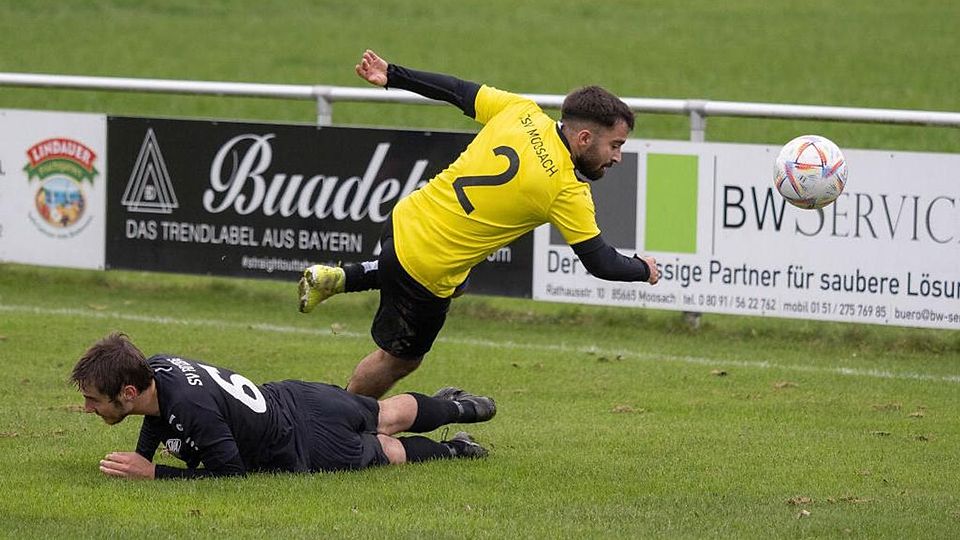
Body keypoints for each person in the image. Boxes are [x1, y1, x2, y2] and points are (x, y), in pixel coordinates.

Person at [299, 49, 662, 398]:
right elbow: (600, 262)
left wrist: (392, 74)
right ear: (584, 138)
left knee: (456, 279)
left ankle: (341, 278)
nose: (617, 157)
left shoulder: (522, 111)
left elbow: (456, 90)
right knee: (400, 360)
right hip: (426, 266)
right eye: (615, 145)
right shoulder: (566, 188)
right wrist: (642, 269)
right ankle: (341, 419)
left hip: (405, 218)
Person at [71, 332, 496, 479]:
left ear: (127, 393)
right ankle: (462, 408)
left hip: (301, 445)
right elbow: (161, 414)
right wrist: (142, 454)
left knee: (389, 449)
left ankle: (457, 449)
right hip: (298, 397)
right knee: (384, 413)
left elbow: (230, 474)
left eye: (93, 399)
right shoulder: (159, 368)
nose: (89, 408)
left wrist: (155, 473)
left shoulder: (192, 408)